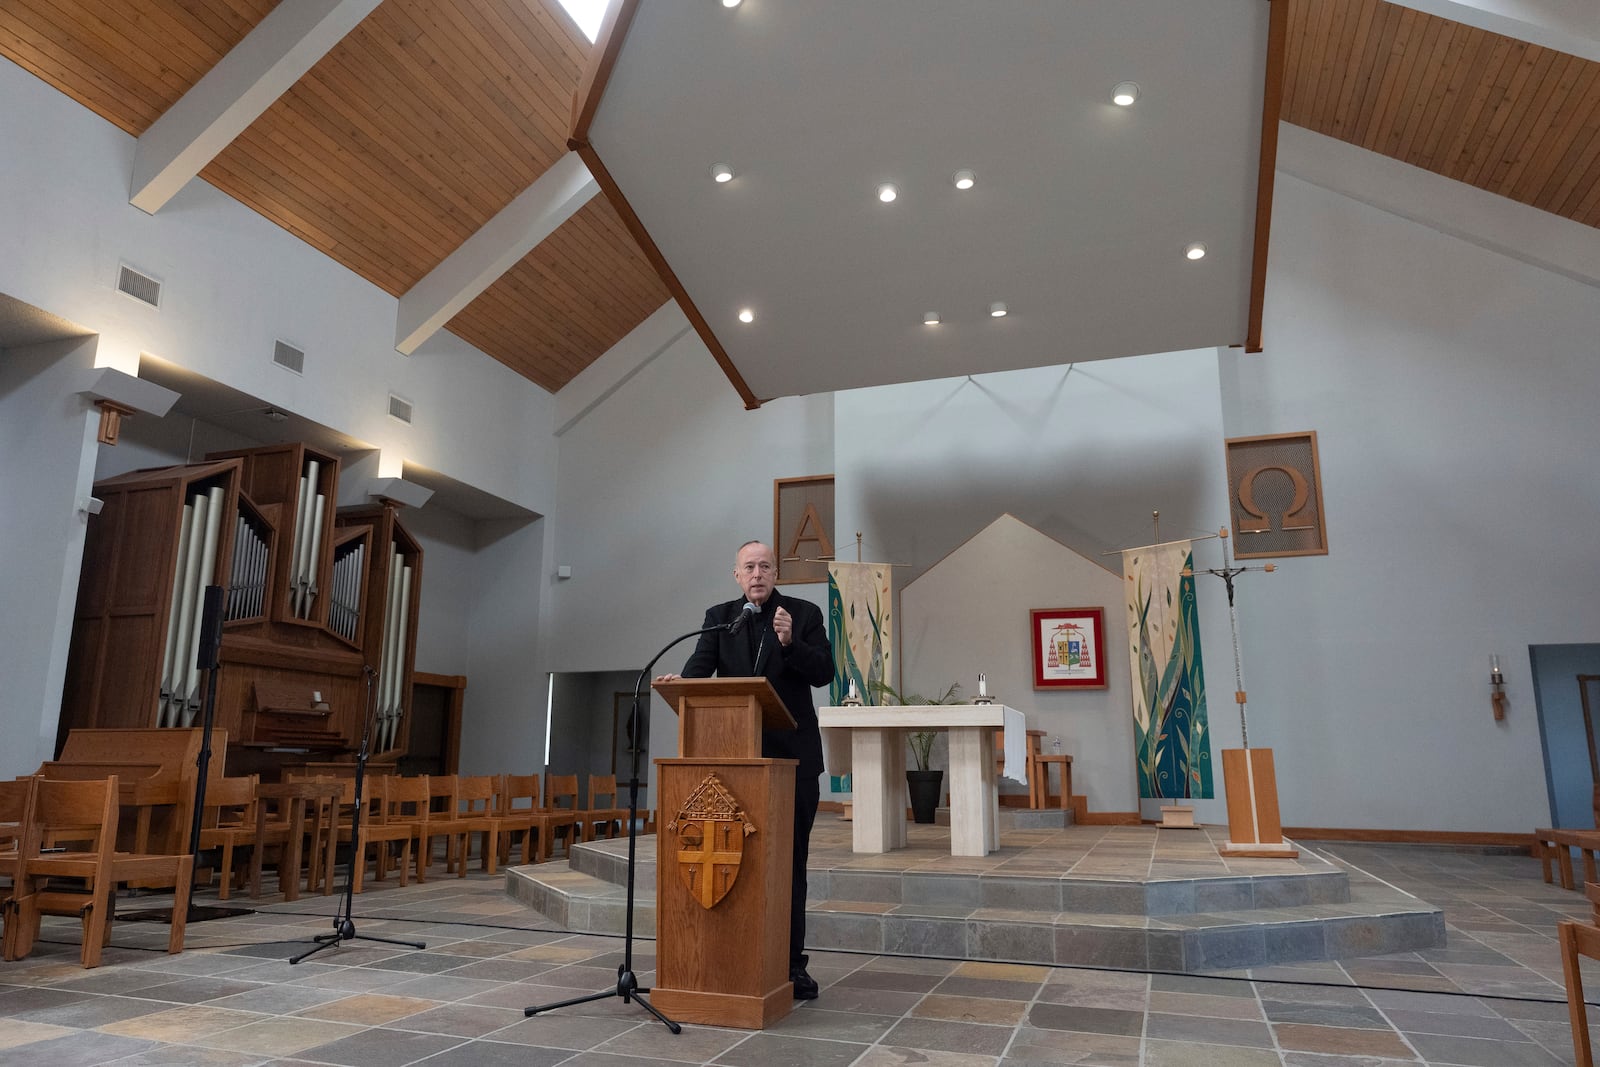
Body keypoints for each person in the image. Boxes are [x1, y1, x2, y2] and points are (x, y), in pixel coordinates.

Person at [656, 540, 832, 999]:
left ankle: (792, 965)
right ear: (736, 575)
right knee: (741, 865)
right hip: (734, 762)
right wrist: (682, 684)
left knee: (790, 865)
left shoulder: (802, 613)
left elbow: (825, 673)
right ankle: (732, 957)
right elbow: (699, 669)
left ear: (777, 573)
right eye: (749, 567)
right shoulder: (721, 617)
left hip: (791, 761)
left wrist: (791, 643)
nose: (757, 573)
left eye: (766, 566)